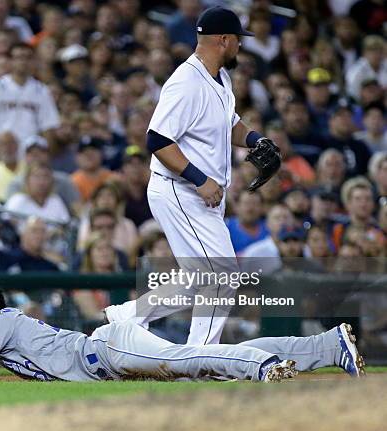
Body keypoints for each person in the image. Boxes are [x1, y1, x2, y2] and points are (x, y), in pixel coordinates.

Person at [104, 7, 279, 345]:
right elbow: (157, 139)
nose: (241, 46)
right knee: (222, 274)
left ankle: (127, 315)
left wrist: (256, 139)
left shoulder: (220, 77)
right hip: (181, 190)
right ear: (223, 40)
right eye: (238, 40)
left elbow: (229, 123)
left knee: (200, 277)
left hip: (199, 193)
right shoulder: (186, 82)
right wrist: (199, 179)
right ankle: (199, 356)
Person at [0, 278, 365, 382]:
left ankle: (264, 367)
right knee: (203, 354)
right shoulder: (0, 326)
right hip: (108, 346)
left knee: (192, 361)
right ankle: (325, 345)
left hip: (108, 350)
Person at [0, 43, 60, 159]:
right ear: (10, 61)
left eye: (27, 57)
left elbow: (48, 128)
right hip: (3, 154)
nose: (23, 62)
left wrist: (44, 157)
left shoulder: (41, 91)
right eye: (18, 57)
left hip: (31, 156)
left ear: (33, 61)